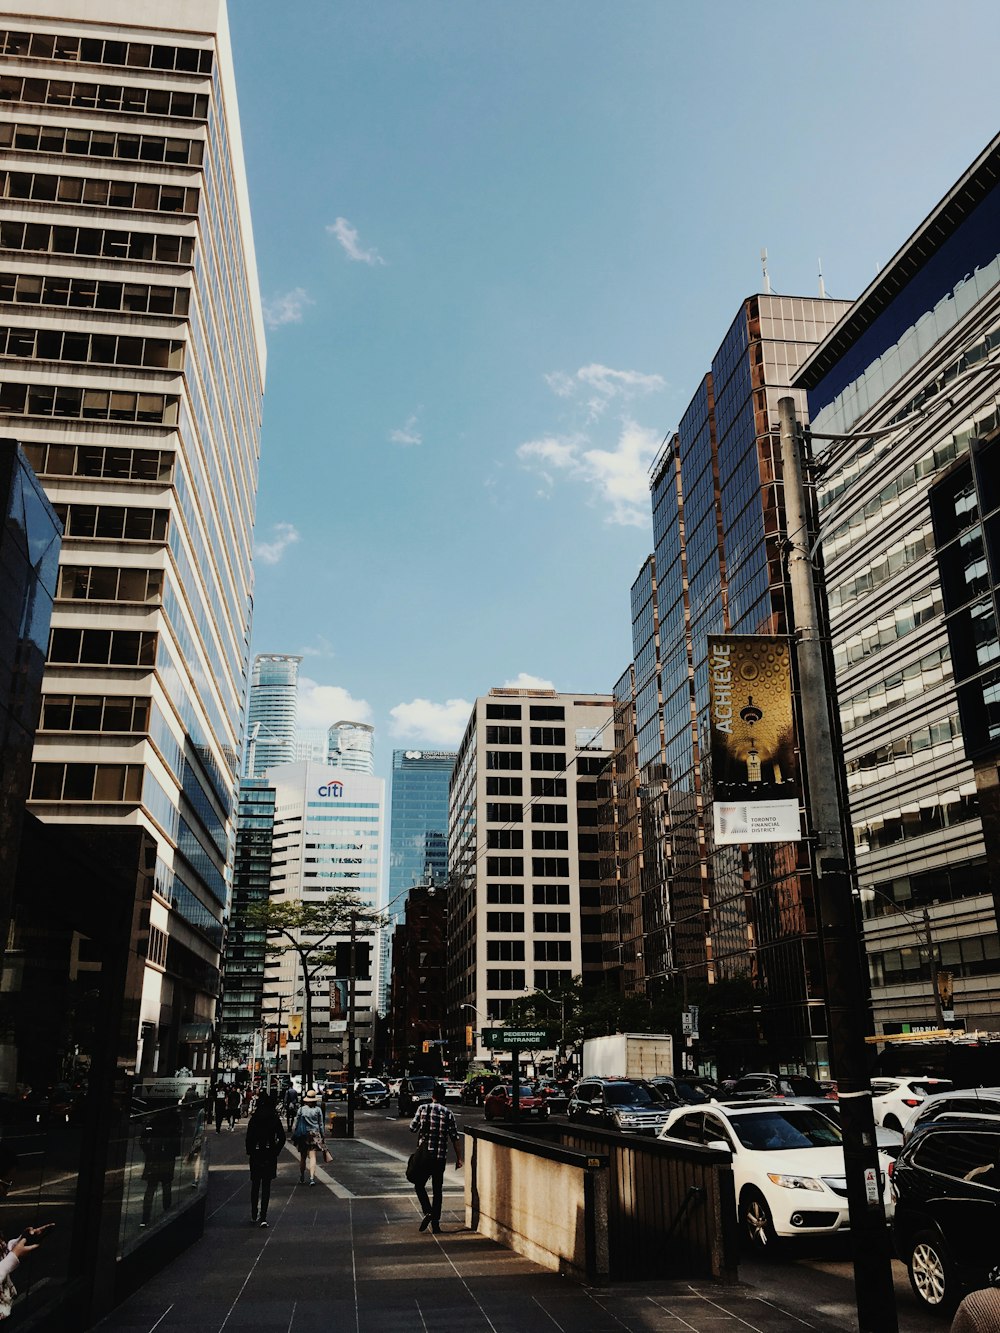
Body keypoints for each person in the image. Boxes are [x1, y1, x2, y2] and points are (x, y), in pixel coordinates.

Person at [409, 1082, 462, 1233]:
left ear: (432, 1096)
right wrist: (459, 1158)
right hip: (440, 1157)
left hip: (425, 1155)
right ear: (443, 1097)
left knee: (419, 1184)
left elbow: (412, 1128)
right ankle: (436, 1223)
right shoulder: (448, 1113)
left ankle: (428, 1211)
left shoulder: (423, 1109)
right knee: (437, 1190)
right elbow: (454, 1137)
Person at [245, 1091, 285, 1227]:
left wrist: (250, 1151)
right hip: (269, 1153)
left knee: (255, 1184)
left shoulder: (254, 1118)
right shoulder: (273, 1118)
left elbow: (248, 1138)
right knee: (266, 1186)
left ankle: (253, 1214)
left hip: (256, 1153)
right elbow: (282, 1137)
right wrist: (276, 1151)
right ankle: (263, 1217)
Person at [140, 1106, 183, 1228]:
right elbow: (177, 1137)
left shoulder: (154, 1120)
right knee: (165, 1186)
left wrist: (149, 1151)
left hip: (154, 1158)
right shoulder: (174, 1119)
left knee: (151, 1188)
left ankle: (145, 1218)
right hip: (165, 1158)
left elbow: (143, 1139)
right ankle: (165, 1214)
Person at [290, 1088, 325, 1185]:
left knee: (303, 1157)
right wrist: (323, 1135)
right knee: (313, 1156)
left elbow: (296, 1124)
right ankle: (312, 1178)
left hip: (303, 1135)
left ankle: (302, 1175)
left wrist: (294, 1133)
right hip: (315, 1134)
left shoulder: (301, 1109)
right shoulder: (318, 1110)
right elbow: (321, 1124)